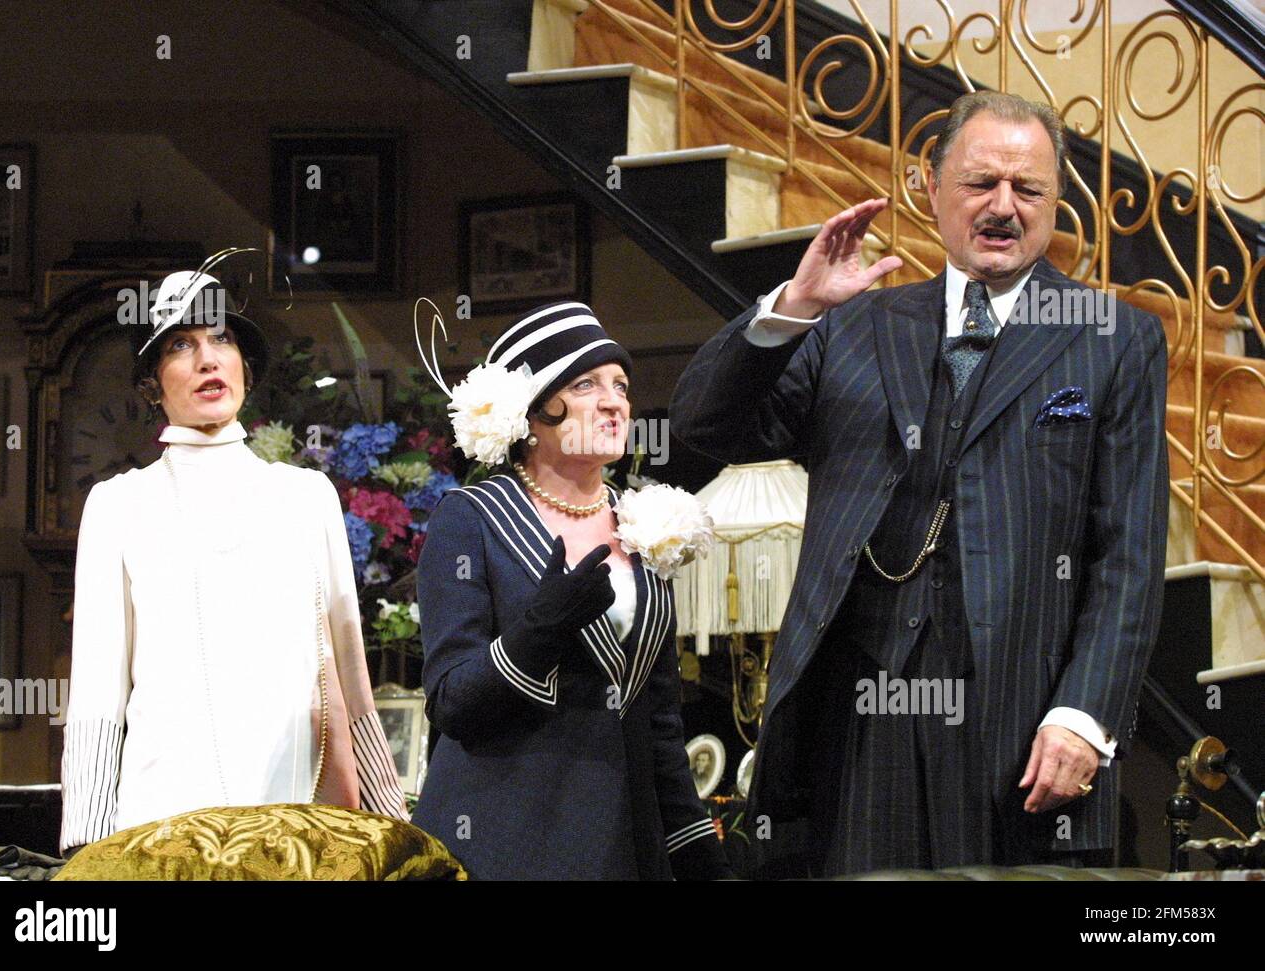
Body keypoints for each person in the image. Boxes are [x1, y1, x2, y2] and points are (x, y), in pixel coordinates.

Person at [671, 91, 1168, 877]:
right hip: (861, 719)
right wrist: (792, 308)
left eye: (1028, 189)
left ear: (1054, 204)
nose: (1004, 206)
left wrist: (1086, 713)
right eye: (980, 183)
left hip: (1025, 729)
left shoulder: (1115, 341)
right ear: (930, 189)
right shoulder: (851, 327)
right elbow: (701, 432)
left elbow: (1129, 557)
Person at [59, 266, 409, 858]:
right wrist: (87, 844)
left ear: (245, 364)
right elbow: (97, 694)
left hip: (294, 827)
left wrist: (388, 819)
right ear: (152, 384)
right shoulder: (119, 504)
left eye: (222, 340)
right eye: (181, 345)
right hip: (162, 831)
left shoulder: (305, 496)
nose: (207, 359)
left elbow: (349, 680)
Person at [412, 301, 732, 880]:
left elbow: (658, 716)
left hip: (623, 837)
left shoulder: (645, 523)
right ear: (530, 414)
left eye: (621, 385)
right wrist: (538, 632)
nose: (614, 401)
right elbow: (452, 702)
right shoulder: (472, 518)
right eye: (585, 383)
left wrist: (694, 847)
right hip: (505, 835)